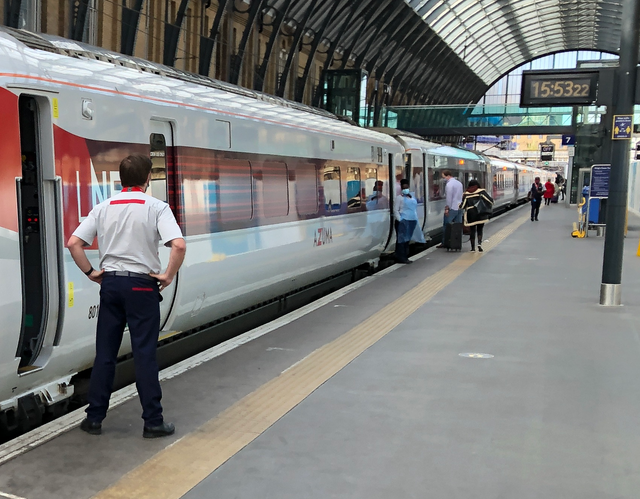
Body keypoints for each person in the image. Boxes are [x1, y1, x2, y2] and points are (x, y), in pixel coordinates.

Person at [67, 154, 186, 438]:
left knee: (105, 354)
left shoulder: (103, 207)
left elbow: (74, 243)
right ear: (147, 180)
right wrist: (168, 276)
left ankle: (94, 419)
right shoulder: (156, 207)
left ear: (121, 180)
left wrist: (90, 273)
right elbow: (178, 246)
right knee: (144, 354)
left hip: (111, 285)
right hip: (142, 288)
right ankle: (153, 422)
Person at [460, 179, 494, 252]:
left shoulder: (466, 193)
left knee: (472, 230)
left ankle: (472, 248)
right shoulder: (481, 192)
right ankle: (479, 244)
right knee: (480, 229)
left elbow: (463, 206)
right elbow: (490, 200)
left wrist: (460, 206)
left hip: (471, 214)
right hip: (480, 213)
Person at [436, 170, 463, 248]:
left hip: (452, 207)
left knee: (447, 225)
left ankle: (445, 242)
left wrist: (447, 208)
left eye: (443, 176)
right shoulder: (459, 183)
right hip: (459, 207)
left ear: (447, 176)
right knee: (458, 225)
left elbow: (449, 197)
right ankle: (457, 241)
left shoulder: (449, 185)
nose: (443, 178)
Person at [393, 179, 418, 264]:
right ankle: (401, 257)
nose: (405, 189)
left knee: (406, 240)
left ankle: (404, 256)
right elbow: (396, 210)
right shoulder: (399, 198)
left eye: (406, 187)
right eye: (404, 187)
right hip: (402, 222)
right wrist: (400, 220)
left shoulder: (411, 197)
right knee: (401, 241)